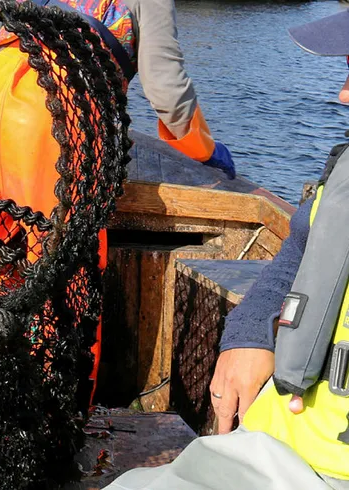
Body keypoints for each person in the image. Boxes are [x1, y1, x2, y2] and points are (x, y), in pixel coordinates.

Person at [0, 0, 234, 407]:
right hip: (58, 112)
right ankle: (51, 414)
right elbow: (166, 88)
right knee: (61, 279)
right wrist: (202, 148)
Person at [103, 9, 349, 489]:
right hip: (271, 442)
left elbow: (163, 85)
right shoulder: (344, 172)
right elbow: (303, 247)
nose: (342, 95)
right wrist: (251, 331)